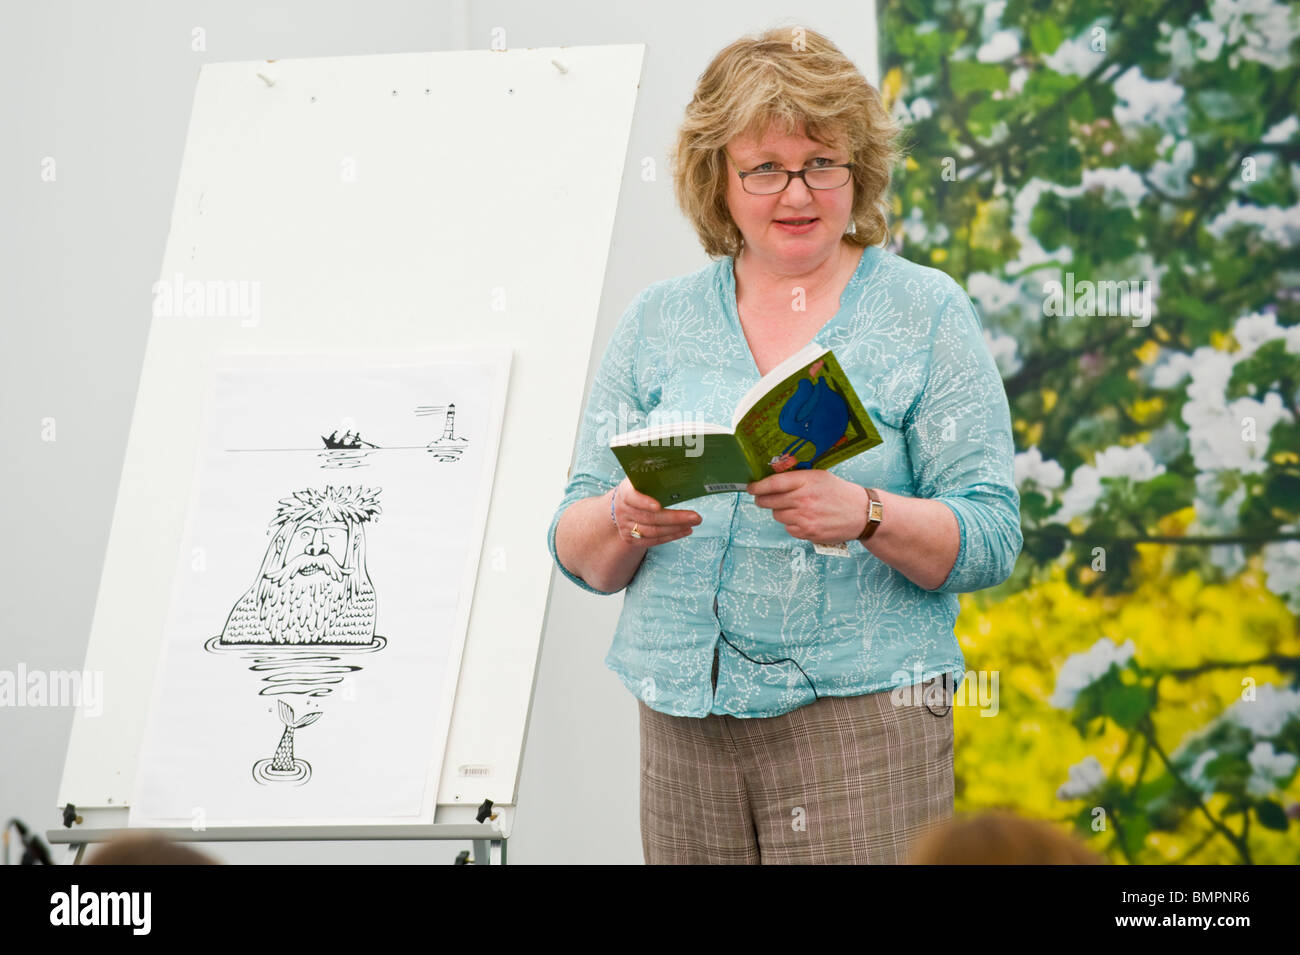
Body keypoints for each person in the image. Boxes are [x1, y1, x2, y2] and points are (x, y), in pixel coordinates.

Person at [547, 27, 1022, 864]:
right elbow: (574, 549)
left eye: (822, 163)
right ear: (718, 183)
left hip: (865, 721)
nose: (796, 193)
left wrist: (866, 512)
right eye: (764, 167)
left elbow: (990, 537)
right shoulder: (656, 321)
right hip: (682, 723)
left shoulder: (926, 312)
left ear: (858, 169)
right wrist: (624, 515)